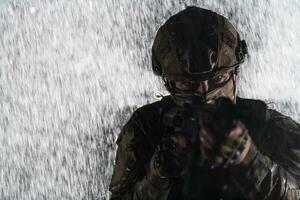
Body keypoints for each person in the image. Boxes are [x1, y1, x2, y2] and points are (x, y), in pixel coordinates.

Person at [109, 6, 300, 200]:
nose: (205, 93)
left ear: (235, 74)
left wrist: (250, 160)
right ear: (169, 84)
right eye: (188, 83)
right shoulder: (147, 126)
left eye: (218, 79)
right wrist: (159, 172)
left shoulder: (264, 123)